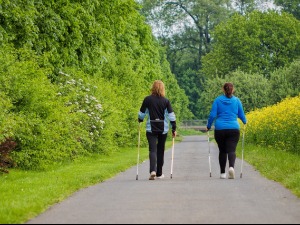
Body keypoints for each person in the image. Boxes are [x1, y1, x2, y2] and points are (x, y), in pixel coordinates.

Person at [206, 82, 247, 179]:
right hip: (234, 128)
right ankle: (231, 167)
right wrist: (245, 121)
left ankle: (223, 173)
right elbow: (241, 114)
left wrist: (208, 126)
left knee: (223, 151)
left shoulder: (217, 100)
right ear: (233, 90)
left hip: (220, 129)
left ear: (223, 90)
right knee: (231, 150)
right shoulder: (237, 101)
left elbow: (212, 115)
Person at [138, 80, 177, 180]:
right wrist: (174, 128)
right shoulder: (165, 101)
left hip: (151, 128)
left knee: (152, 150)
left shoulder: (147, 99)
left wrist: (140, 120)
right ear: (163, 89)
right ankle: (159, 173)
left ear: (153, 88)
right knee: (160, 150)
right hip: (163, 129)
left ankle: (152, 171)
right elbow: (171, 116)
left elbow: (142, 113)